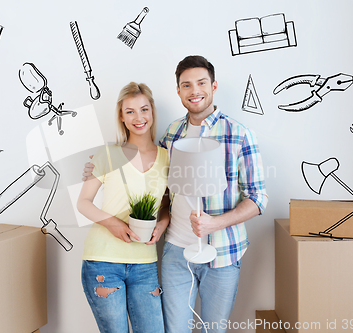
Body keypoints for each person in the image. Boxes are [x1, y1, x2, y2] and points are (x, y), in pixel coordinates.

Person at [82, 56, 267, 333]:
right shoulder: (172, 136)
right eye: (186, 85)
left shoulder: (239, 134)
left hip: (223, 253)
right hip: (175, 253)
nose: (195, 91)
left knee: (212, 330)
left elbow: (258, 198)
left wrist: (215, 223)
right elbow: (162, 191)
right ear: (178, 91)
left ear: (214, 86)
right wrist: (97, 165)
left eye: (201, 83)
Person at [77, 82, 170, 333]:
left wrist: (162, 224)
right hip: (102, 263)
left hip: (145, 264)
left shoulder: (167, 157)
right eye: (130, 111)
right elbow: (83, 203)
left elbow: (165, 205)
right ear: (121, 116)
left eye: (144, 109)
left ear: (152, 111)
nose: (138, 118)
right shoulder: (107, 154)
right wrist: (113, 223)